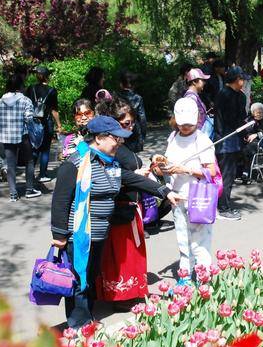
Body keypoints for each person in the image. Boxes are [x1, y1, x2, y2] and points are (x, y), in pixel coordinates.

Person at [51, 116, 181, 328]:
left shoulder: (109, 163)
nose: (119, 143)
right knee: (78, 279)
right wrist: (59, 235)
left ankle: (87, 317)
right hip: (79, 234)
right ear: (100, 138)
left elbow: (133, 179)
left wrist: (165, 192)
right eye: (116, 138)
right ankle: (79, 324)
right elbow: (60, 201)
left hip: (101, 232)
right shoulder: (75, 164)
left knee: (90, 276)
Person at [95, 99, 151, 305]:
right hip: (118, 205)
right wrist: (134, 175)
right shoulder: (109, 149)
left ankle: (129, 290)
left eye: (131, 123)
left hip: (130, 203)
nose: (130, 127)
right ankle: (119, 294)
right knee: (120, 254)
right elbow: (110, 176)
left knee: (129, 252)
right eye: (125, 123)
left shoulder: (123, 145)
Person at [154, 98, 217, 279]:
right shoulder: (173, 137)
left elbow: (211, 171)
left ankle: (204, 277)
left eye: (189, 124)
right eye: (182, 124)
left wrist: (186, 169)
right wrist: (160, 164)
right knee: (183, 239)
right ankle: (185, 276)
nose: (185, 127)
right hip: (177, 195)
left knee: (200, 241)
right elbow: (167, 163)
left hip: (198, 196)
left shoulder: (202, 139)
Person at [0, 73, 40, 201]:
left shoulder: (1, 101)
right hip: (23, 135)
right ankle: (29, 189)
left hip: (6, 137)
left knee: (10, 165)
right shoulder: (25, 100)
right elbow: (28, 118)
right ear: (21, 86)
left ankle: (13, 194)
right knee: (29, 161)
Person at [214, 66, 249, 220]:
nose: (245, 82)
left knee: (229, 175)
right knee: (226, 176)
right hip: (226, 140)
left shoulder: (238, 95)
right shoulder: (226, 95)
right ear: (237, 79)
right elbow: (231, 119)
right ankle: (222, 208)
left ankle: (223, 204)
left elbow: (241, 117)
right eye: (243, 79)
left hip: (231, 139)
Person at [26, 66, 61, 182]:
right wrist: (59, 125)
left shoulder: (31, 88)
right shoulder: (52, 91)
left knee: (34, 149)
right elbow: (54, 110)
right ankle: (42, 175)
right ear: (48, 76)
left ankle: (30, 175)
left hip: (32, 123)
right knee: (45, 149)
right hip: (46, 122)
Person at [240, 102, 263, 180]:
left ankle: (246, 172)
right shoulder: (249, 120)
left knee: (248, 149)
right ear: (252, 113)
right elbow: (245, 131)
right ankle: (243, 171)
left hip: (262, 143)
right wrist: (247, 136)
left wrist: (257, 134)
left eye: (261, 112)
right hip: (248, 142)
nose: (259, 114)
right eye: (257, 112)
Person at [115, 71, 147, 142]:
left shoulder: (116, 97)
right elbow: (142, 119)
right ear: (133, 85)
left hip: (118, 131)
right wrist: (143, 136)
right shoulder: (138, 98)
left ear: (121, 84)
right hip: (134, 131)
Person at [183, 68, 211, 132]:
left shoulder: (194, 96)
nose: (204, 83)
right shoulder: (191, 98)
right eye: (203, 80)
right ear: (194, 82)